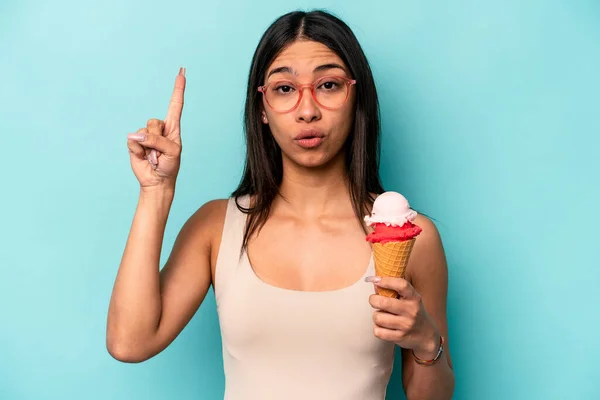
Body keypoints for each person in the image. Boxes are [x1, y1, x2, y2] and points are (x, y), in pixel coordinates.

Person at [106, 9, 455, 400]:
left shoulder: (413, 237)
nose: (307, 110)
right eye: (284, 89)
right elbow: (129, 343)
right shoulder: (216, 228)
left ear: (357, 98)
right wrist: (156, 191)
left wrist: (427, 343)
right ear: (262, 109)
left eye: (328, 84)